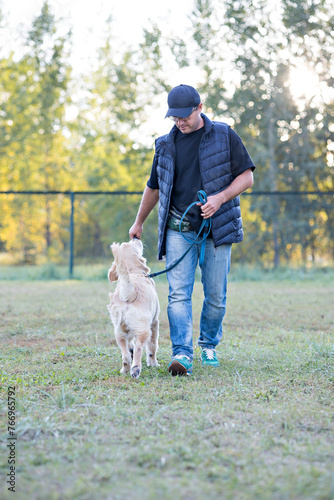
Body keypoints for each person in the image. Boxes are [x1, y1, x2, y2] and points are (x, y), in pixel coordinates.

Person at [129, 84, 255, 376]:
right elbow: (154, 187)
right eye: (174, 117)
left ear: (200, 108)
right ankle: (182, 353)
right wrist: (139, 222)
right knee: (178, 295)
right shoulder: (164, 144)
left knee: (215, 296)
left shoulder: (224, 135)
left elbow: (246, 177)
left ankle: (208, 344)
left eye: (184, 116)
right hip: (179, 228)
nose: (179, 122)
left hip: (217, 228)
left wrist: (219, 199)